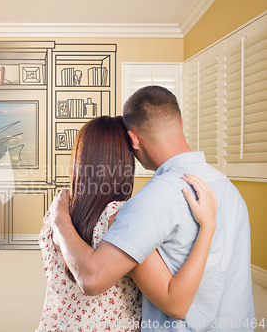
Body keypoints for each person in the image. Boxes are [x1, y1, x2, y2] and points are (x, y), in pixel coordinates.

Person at [49, 86, 255, 331]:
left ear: (133, 139)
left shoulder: (153, 199)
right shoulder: (227, 187)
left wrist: (59, 220)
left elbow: (92, 279)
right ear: (179, 121)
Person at [37, 116, 217, 331]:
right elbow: (175, 303)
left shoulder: (58, 209)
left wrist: (59, 218)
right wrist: (208, 226)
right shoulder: (120, 218)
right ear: (125, 161)